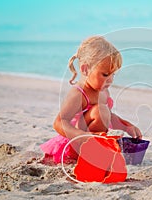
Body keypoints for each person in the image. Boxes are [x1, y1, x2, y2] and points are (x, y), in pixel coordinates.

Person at [40, 36, 142, 165]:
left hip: (94, 142)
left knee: (103, 111)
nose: (110, 80)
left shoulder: (103, 92)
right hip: (76, 144)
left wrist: (127, 126)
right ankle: (91, 153)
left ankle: (96, 151)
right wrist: (81, 136)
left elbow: (109, 117)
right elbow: (59, 122)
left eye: (113, 75)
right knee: (100, 110)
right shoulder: (78, 94)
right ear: (85, 69)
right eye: (105, 75)